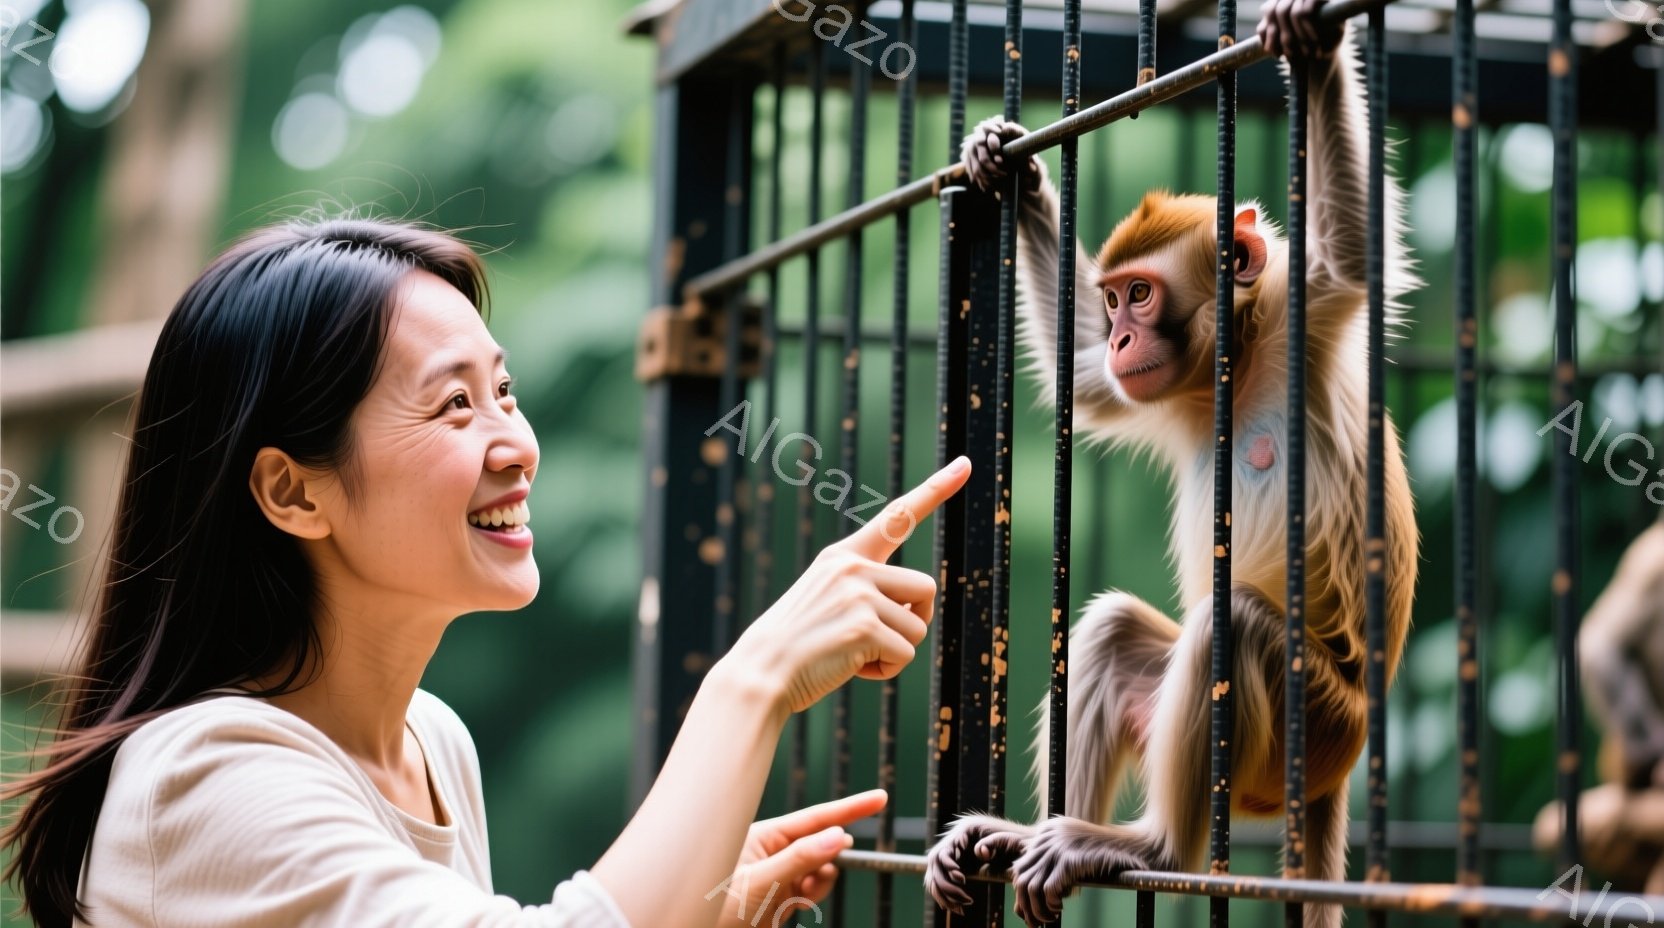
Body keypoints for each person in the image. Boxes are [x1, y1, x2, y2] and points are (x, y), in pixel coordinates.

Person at [0, 217, 971, 927]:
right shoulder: (200, 777)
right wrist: (750, 683)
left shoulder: (430, 742)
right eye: (453, 406)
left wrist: (695, 905)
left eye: (502, 390)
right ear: (294, 492)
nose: (515, 444)